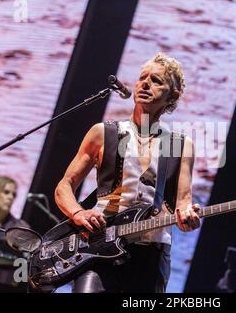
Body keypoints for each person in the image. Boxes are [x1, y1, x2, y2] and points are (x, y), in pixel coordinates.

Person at [55, 53, 201, 293]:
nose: (145, 83)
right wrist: (78, 213)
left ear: (172, 96)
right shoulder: (104, 133)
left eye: (156, 80)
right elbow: (65, 186)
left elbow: (182, 204)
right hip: (99, 247)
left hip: (151, 254)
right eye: (142, 77)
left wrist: (187, 220)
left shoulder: (181, 145)